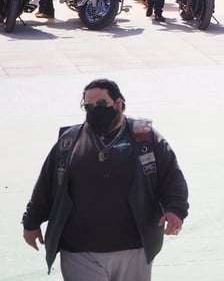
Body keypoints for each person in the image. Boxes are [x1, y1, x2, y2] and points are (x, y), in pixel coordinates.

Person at [21, 78, 188, 279]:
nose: (94, 110)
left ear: (118, 104)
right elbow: (46, 185)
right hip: (79, 249)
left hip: (134, 247)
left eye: (100, 104)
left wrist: (176, 210)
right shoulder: (69, 142)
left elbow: (172, 176)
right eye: (88, 106)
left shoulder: (146, 138)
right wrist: (31, 222)